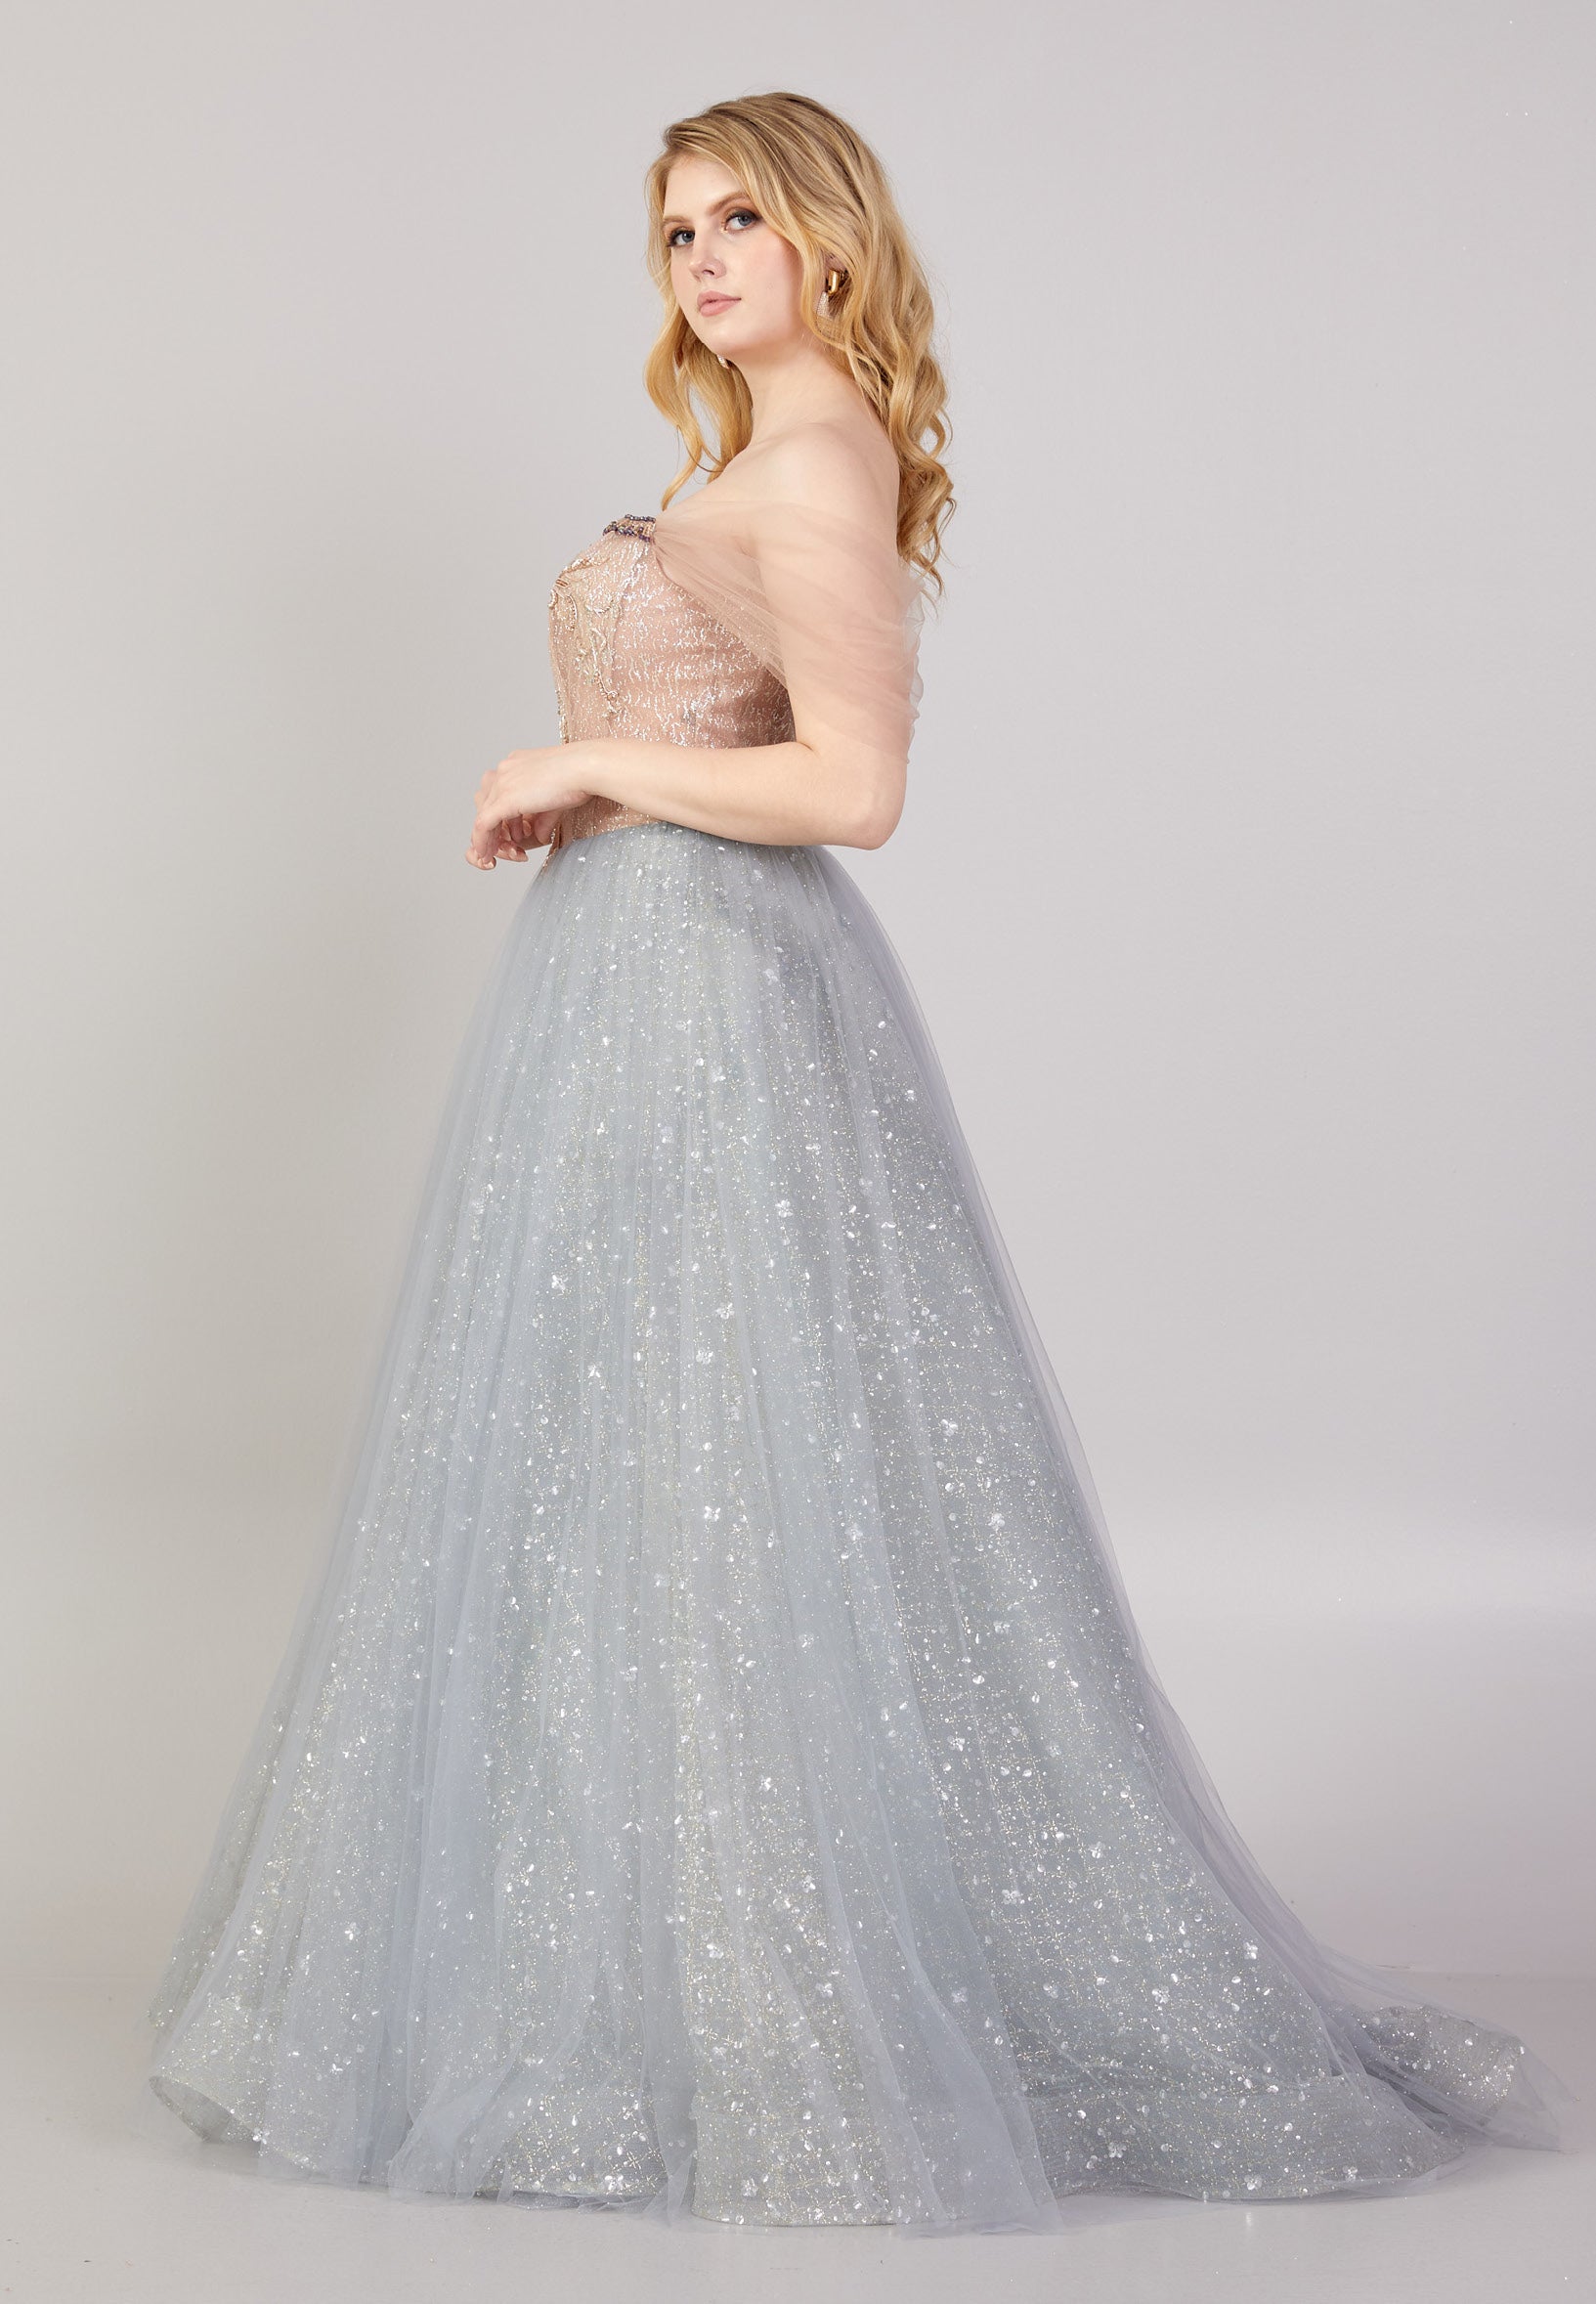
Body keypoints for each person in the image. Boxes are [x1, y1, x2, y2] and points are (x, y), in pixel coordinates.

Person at [142, 90, 1573, 2235]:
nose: (703, 261)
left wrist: (579, 754)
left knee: (722, 1471)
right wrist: (613, 784)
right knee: (632, 1474)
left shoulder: (813, 461)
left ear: (827, 234)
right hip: (625, 983)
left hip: (710, 998)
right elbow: (743, 735)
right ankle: (641, 1987)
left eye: (740, 218)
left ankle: (761, 2018)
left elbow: (855, 786)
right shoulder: (766, 448)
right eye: (676, 233)